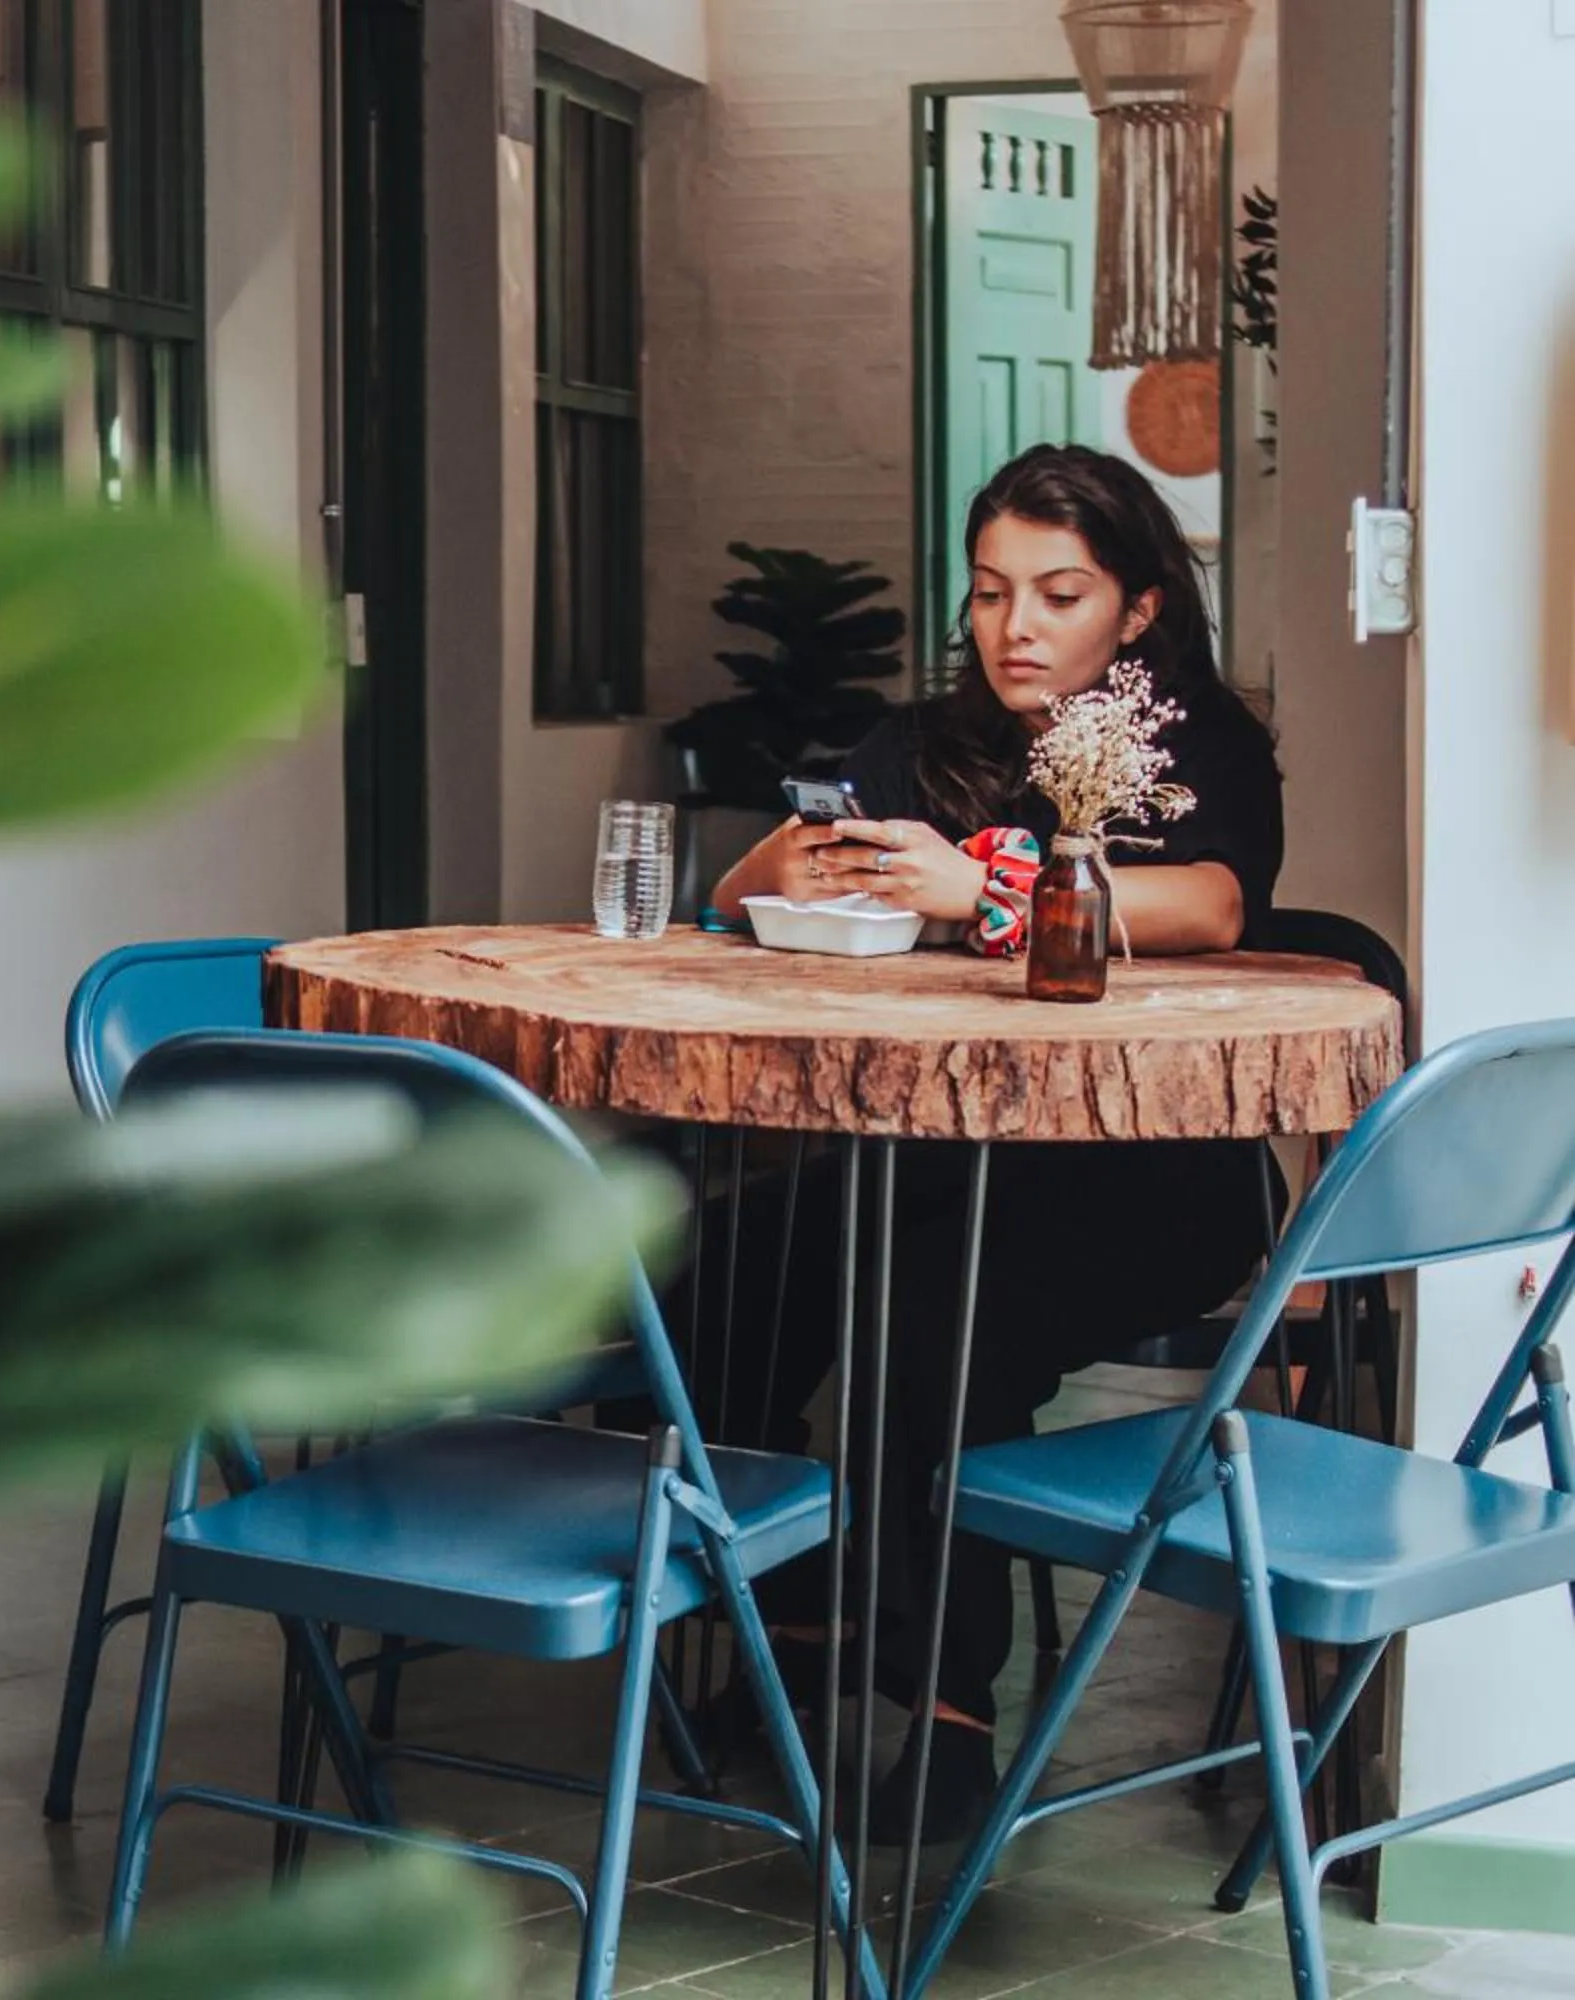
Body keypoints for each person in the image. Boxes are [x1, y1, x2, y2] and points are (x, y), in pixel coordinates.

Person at [695, 443, 1284, 1843]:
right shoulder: (922, 743)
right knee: (722, 1281)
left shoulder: (1194, 743)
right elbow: (738, 890)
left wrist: (986, 888)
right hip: (932, 1156)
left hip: (1153, 1175)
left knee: (923, 1324)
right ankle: (812, 1613)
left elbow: (1212, 905)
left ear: (1137, 607)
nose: (1016, 626)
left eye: (1058, 593)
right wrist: (802, 862)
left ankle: (951, 1717)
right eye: (989, 592)